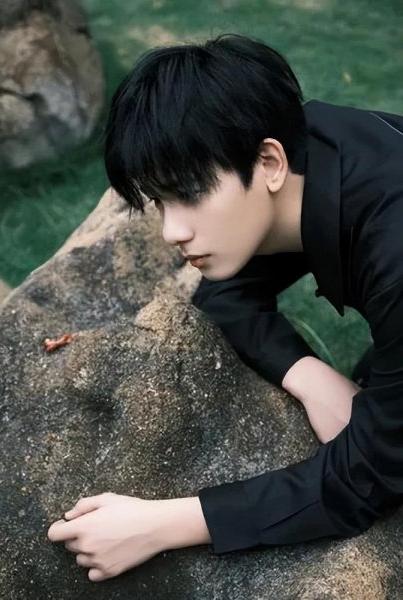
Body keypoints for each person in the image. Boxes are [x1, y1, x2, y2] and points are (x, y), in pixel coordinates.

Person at [48, 34, 403, 582]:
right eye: (160, 201)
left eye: (189, 193)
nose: (172, 231)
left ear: (270, 162)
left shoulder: (393, 243)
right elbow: (224, 293)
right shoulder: (310, 153)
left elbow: (366, 478)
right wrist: (308, 374)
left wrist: (158, 525)